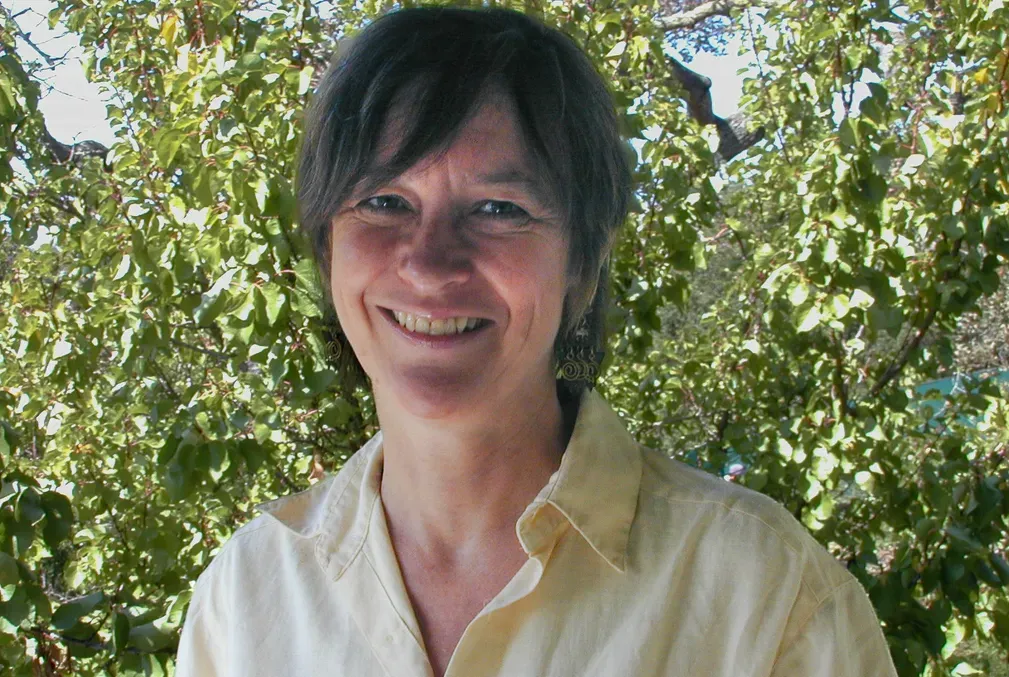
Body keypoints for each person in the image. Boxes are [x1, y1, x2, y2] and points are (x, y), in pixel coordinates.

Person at [176, 7, 898, 677]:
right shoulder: (247, 599)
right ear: (327, 248)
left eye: (498, 209)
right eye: (383, 202)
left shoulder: (765, 599)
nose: (429, 264)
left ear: (580, 263)